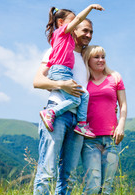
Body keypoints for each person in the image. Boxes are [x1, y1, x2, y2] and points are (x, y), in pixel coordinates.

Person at [33, 18, 94, 195]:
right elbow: (37, 81)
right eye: (84, 30)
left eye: (91, 32)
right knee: (48, 170)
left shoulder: (86, 59)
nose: (88, 35)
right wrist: (62, 84)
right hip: (57, 114)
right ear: (73, 29)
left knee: (69, 175)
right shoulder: (56, 50)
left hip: (78, 121)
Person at [39, 4, 104, 138]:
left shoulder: (67, 44)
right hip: (61, 72)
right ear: (61, 23)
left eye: (91, 32)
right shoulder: (61, 32)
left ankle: (81, 124)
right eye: (73, 21)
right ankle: (52, 112)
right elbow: (38, 81)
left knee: (84, 95)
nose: (75, 23)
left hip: (63, 73)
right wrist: (90, 7)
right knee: (76, 100)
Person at [79, 45, 127, 195]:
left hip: (111, 139)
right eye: (96, 57)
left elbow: (123, 105)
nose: (101, 60)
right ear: (88, 61)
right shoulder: (84, 82)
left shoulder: (115, 77)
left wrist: (121, 124)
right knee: (93, 184)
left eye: (103, 56)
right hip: (90, 140)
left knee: (105, 187)